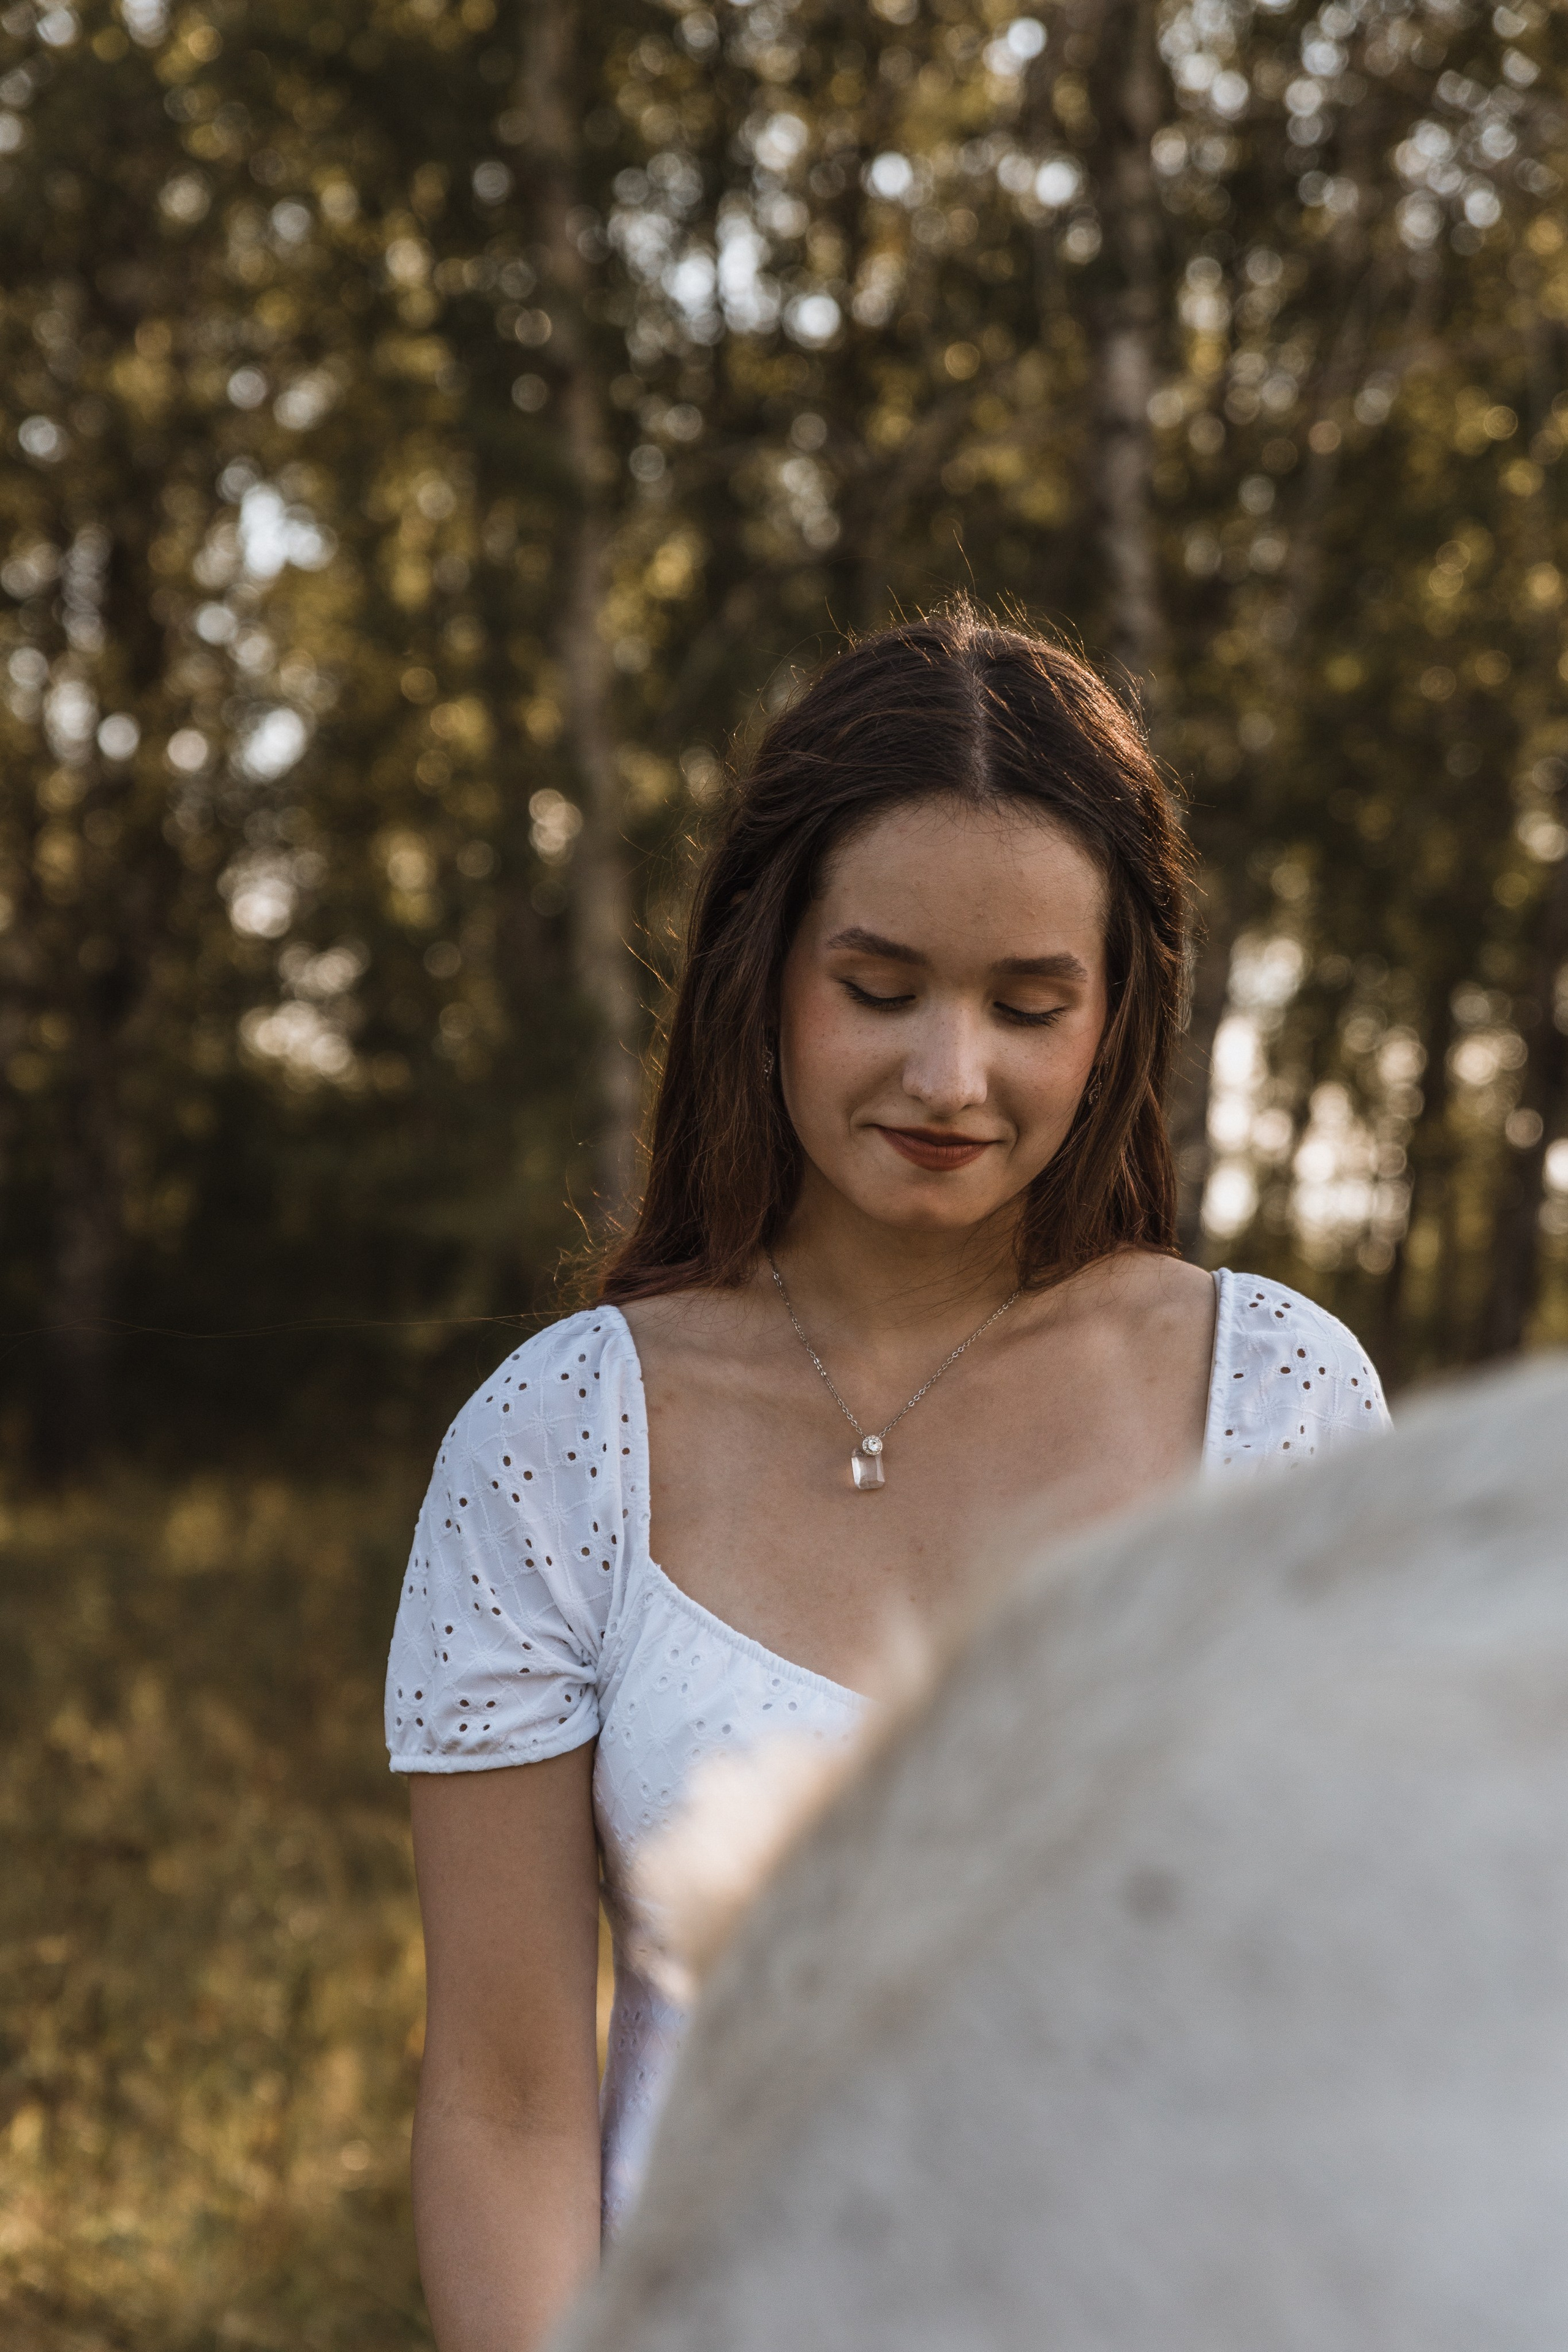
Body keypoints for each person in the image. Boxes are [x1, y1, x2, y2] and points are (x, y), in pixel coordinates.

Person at [385, 605, 1391, 2351]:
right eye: (880, 987)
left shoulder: (1281, 1406)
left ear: (1116, 1014)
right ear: (765, 968)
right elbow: (504, 2101)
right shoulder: (556, 1444)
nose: (952, 1075)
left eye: (1028, 1005)